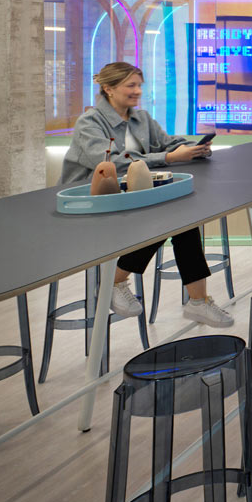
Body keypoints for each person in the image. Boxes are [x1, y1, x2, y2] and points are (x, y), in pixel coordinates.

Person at [59, 61, 233, 327]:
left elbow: (168, 143)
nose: (137, 91)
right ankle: (115, 281)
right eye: (131, 85)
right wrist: (169, 157)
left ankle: (197, 301)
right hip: (94, 205)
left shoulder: (142, 119)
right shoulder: (89, 123)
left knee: (181, 218)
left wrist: (193, 148)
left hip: (130, 200)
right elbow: (113, 163)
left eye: (139, 85)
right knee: (167, 219)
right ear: (108, 88)